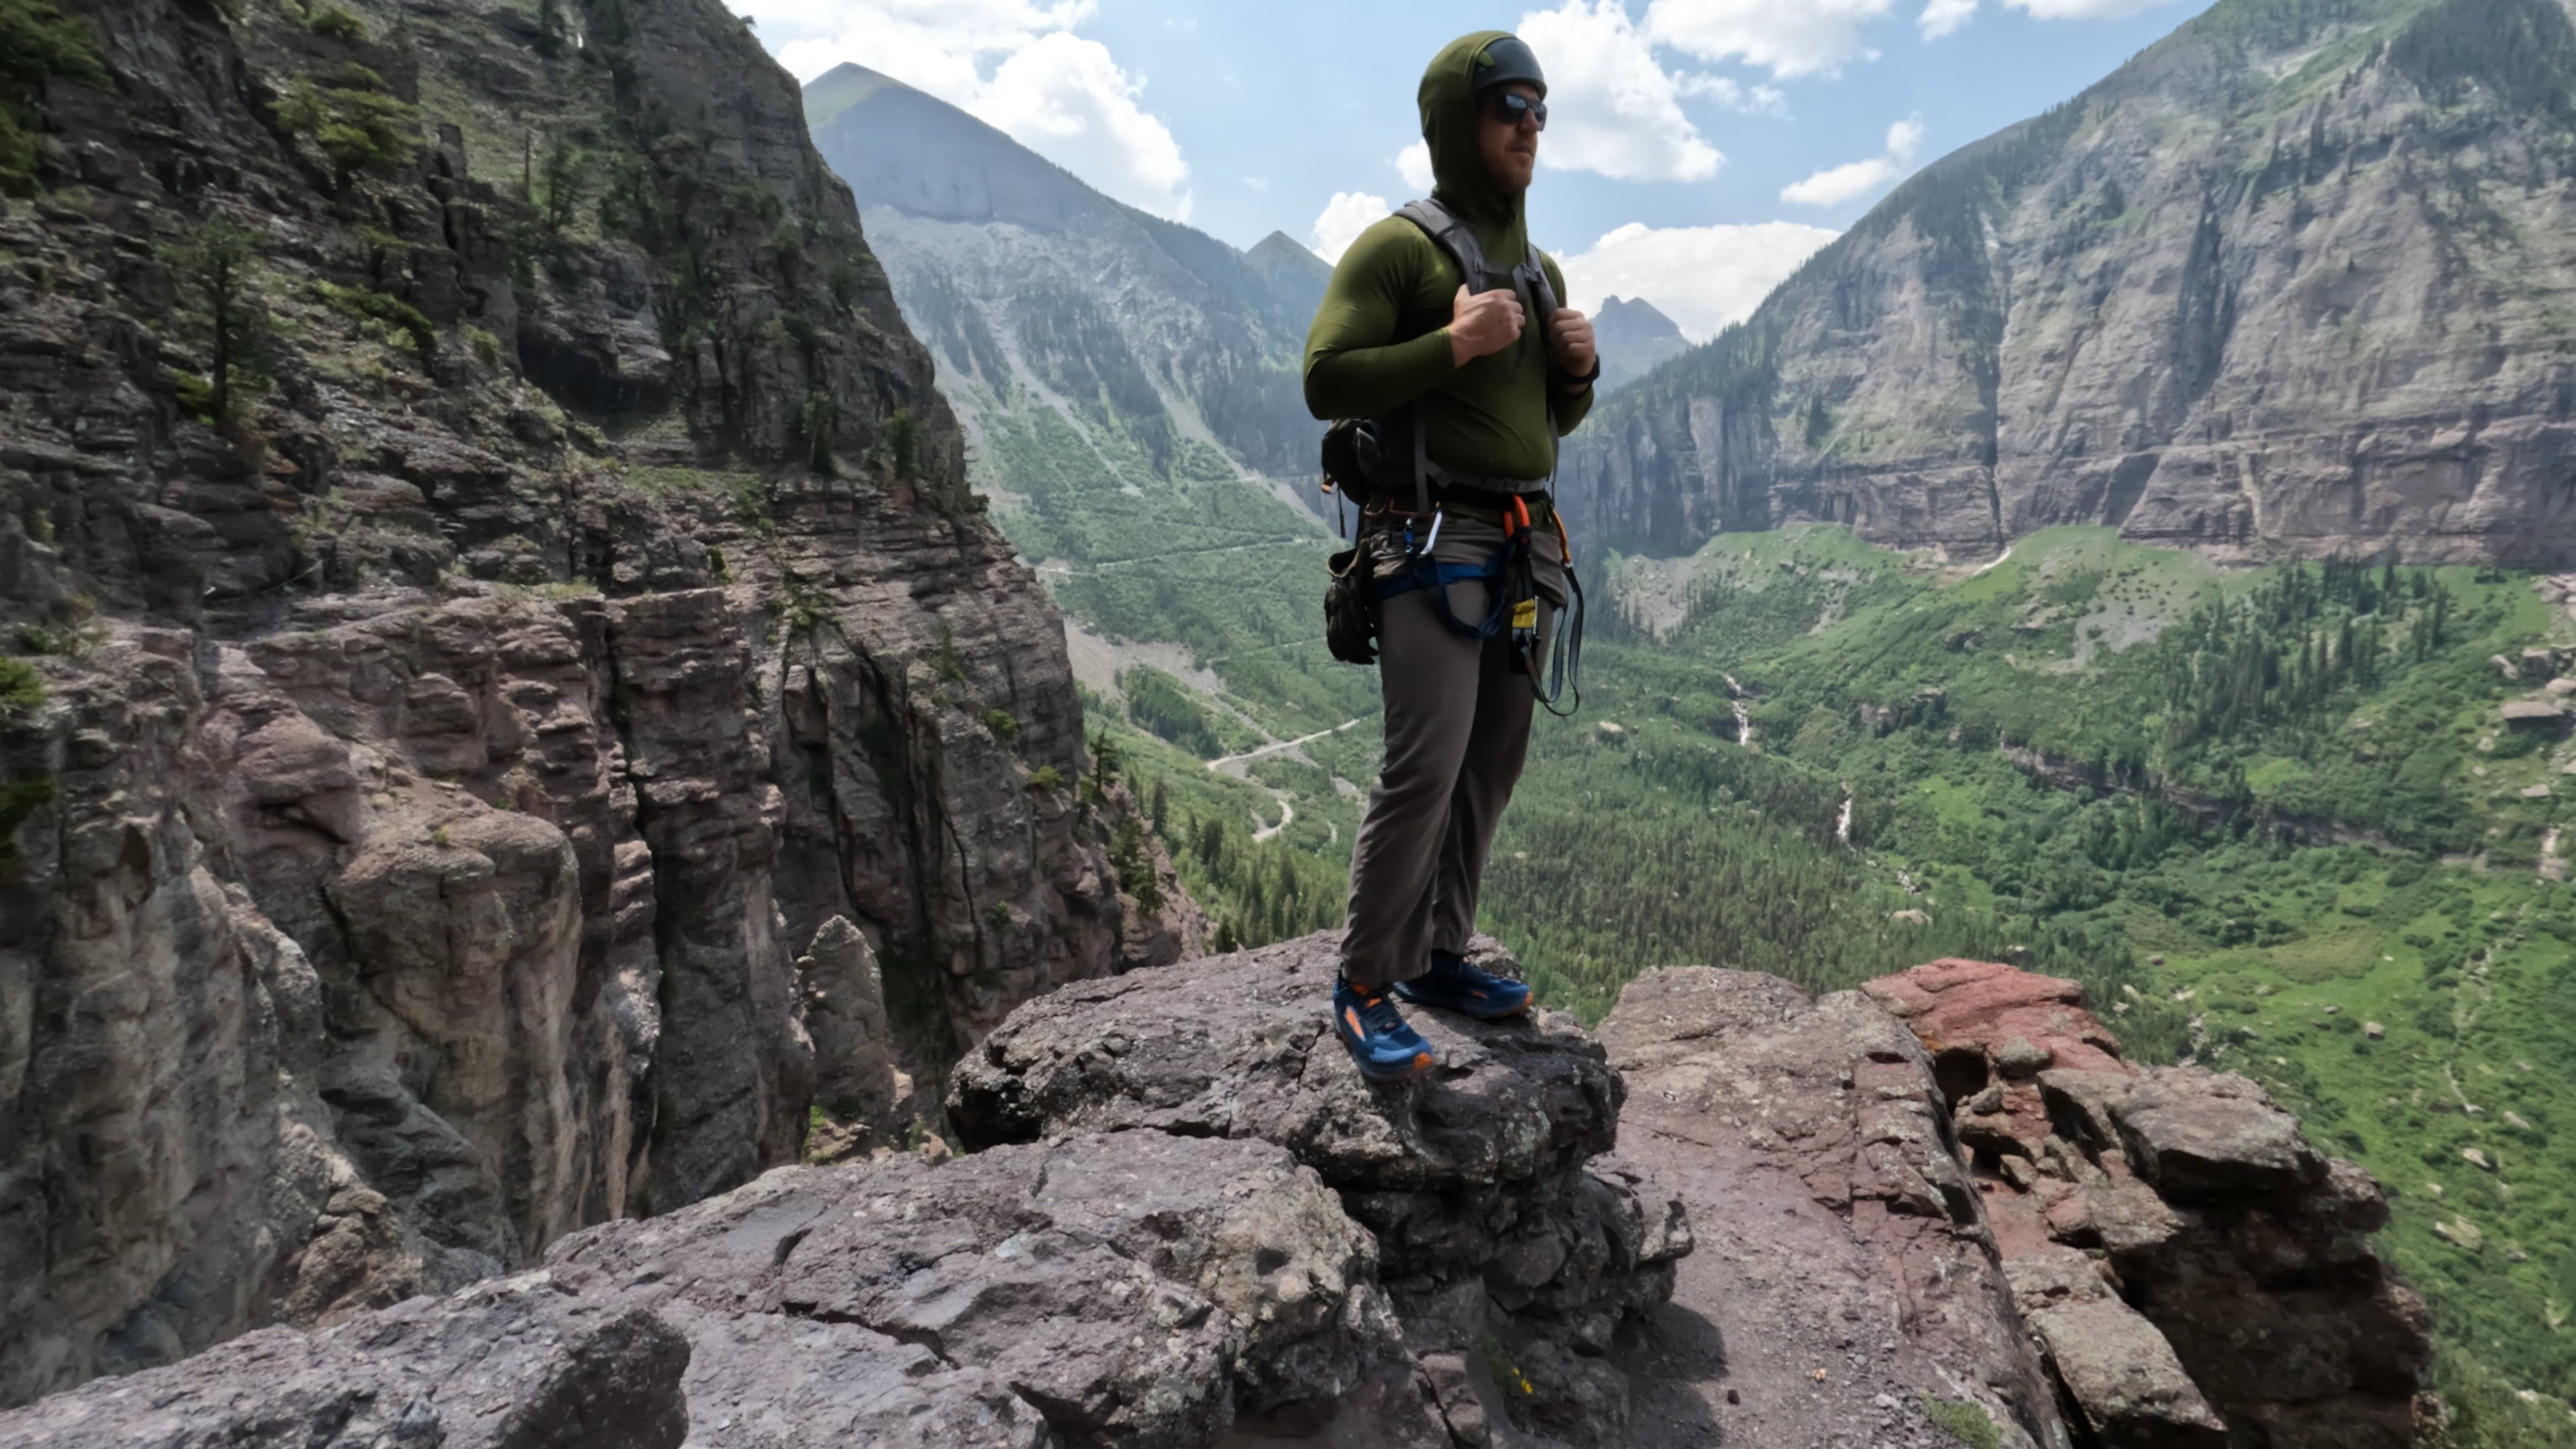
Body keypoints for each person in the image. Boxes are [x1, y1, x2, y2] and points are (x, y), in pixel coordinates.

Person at [1301, 30, 1599, 1080]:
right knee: (1425, 764)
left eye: (1540, 107)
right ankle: (1365, 982)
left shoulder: (1540, 268)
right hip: (1429, 540)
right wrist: (1452, 344)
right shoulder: (1398, 252)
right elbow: (1327, 379)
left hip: (1519, 545)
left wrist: (1578, 373)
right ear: (1454, 121)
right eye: (1506, 103)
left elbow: (1547, 428)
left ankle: (1439, 954)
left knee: (1493, 760)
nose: (1529, 123)